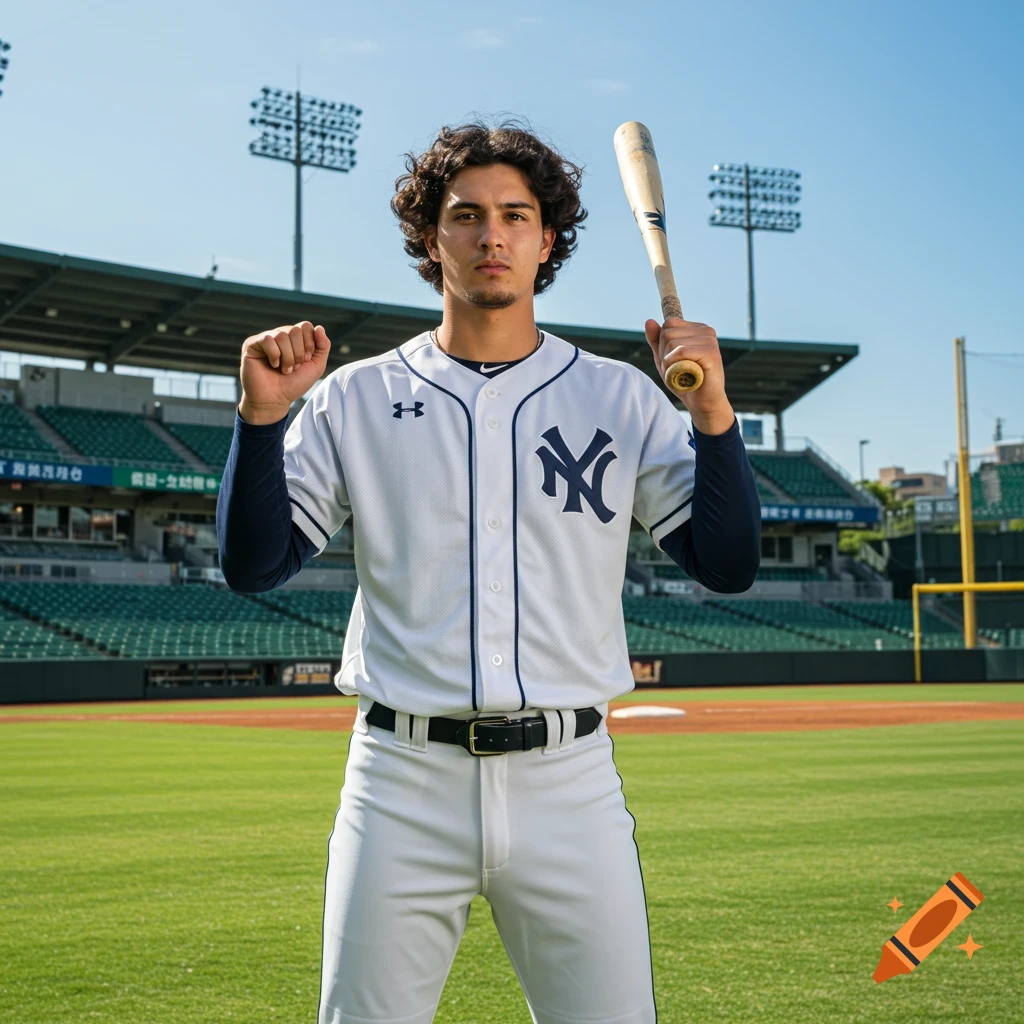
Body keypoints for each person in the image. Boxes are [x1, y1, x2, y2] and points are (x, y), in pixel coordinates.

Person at [217, 121, 760, 1024]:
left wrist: (713, 411)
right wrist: (263, 419)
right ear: (433, 239)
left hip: (571, 782)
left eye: (517, 214)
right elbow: (254, 566)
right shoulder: (353, 394)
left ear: (548, 240)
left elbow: (731, 566)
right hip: (399, 780)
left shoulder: (620, 395)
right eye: (466, 215)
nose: (492, 234)